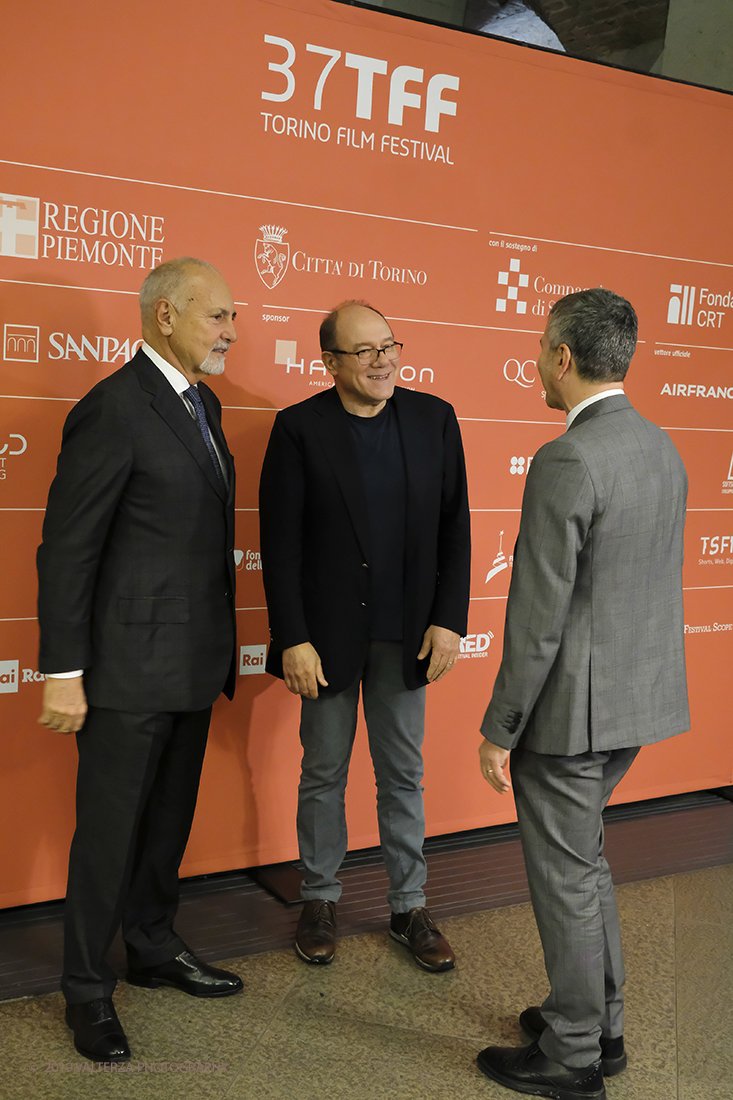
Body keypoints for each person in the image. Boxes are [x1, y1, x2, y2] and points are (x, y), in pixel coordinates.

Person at [476, 288, 689, 1100]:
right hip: (632, 706)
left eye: (539, 346)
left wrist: (500, 729)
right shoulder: (658, 445)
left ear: (562, 358)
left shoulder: (567, 458)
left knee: (566, 877)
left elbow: (537, 619)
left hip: (569, 718)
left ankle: (571, 1055)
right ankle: (602, 1024)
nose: (534, 359)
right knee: (586, 863)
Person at [37, 257, 242, 1063]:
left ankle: (153, 945)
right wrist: (62, 667)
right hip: (124, 672)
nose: (230, 331)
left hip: (192, 663)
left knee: (166, 827)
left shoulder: (204, 405)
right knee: (109, 838)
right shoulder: (112, 409)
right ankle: (86, 991)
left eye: (232, 317)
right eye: (216, 316)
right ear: (164, 316)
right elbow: (68, 548)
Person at [259, 300, 470, 971]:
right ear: (330, 362)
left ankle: (409, 906)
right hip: (324, 639)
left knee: (402, 774)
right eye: (365, 350)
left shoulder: (434, 419)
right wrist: (292, 636)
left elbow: (454, 530)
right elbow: (280, 544)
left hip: (406, 634)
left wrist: (448, 619)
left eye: (389, 346)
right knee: (321, 772)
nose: (382, 360)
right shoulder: (298, 429)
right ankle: (318, 900)